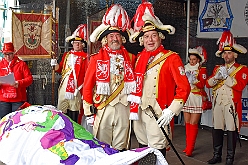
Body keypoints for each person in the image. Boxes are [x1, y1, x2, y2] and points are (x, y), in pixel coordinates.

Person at [127, 2, 190, 157]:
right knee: (142, 148)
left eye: (154, 36)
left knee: (157, 150)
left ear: (160, 37)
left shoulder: (171, 58)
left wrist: (171, 110)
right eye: (146, 36)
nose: (150, 40)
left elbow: (184, 87)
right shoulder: (139, 58)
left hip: (159, 112)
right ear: (142, 40)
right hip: (140, 110)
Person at [82, 4, 136, 151]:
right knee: (102, 146)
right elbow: (87, 86)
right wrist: (88, 112)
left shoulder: (131, 58)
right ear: (106, 39)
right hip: (104, 107)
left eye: (117, 35)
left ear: (122, 38)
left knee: (121, 147)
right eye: (111, 36)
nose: (114, 39)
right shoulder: (95, 58)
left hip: (124, 107)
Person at [206, 30, 248, 165]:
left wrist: (227, 77)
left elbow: (240, 86)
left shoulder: (242, 69)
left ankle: (230, 158)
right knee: (217, 129)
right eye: (224, 53)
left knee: (231, 130)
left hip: (231, 105)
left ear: (234, 54)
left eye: (229, 53)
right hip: (218, 103)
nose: (226, 55)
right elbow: (208, 83)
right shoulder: (218, 68)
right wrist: (216, 77)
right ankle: (217, 155)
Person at [51, 24, 88, 123]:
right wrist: (54, 65)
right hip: (64, 86)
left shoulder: (86, 57)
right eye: (75, 43)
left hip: (77, 88)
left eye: (79, 43)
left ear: (82, 45)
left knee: (74, 110)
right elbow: (60, 69)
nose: (77, 45)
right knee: (62, 109)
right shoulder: (67, 55)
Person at [182, 46, 208, 156]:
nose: (192, 61)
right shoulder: (184, 68)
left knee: (193, 123)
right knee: (187, 123)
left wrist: (194, 81)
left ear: (198, 60)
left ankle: (190, 148)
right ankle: (188, 146)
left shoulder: (202, 70)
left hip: (197, 97)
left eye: (194, 59)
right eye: (190, 59)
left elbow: (203, 84)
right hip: (187, 97)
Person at [0, 42, 33, 119]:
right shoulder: (0, 64)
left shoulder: (21, 64)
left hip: (18, 99)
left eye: (10, 54)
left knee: (17, 121)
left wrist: (19, 83)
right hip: (3, 99)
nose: (7, 57)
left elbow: (29, 79)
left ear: (14, 52)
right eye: (5, 54)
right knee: (4, 121)